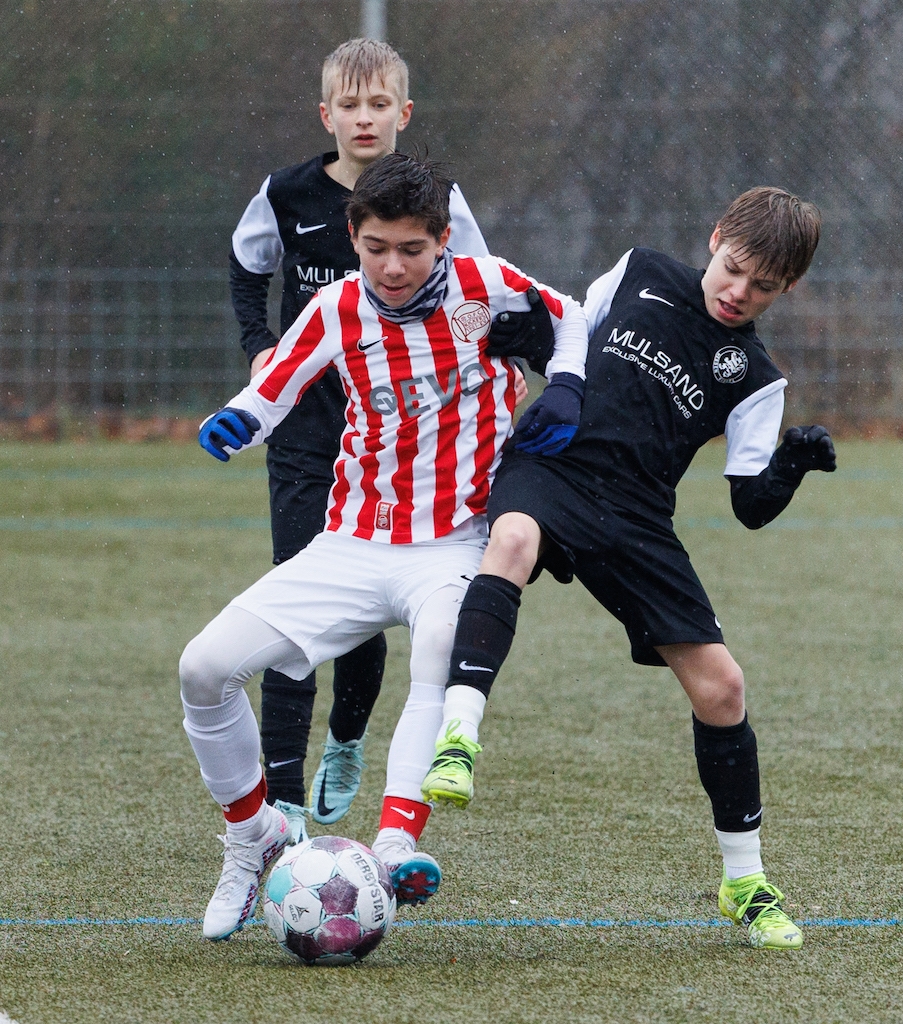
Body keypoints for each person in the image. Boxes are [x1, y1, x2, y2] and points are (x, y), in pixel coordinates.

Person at [181, 152, 588, 940]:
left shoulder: (484, 285)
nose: (393, 267)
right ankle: (252, 835)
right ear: (352, 237)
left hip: (456, 544)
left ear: (442, 240)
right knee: (202, 668)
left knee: (440, 647)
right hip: (353, 542)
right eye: (375, 249)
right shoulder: (335, 306)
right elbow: (274, 387)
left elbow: (569, 314)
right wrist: (238, 419)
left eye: (411, 249)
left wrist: (566, 383)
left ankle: (396, 843)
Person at [420, 187, 837, 950]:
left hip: (637, 516)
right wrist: (536, 347)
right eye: (733, 268)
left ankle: (745, 881)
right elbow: (573, 335)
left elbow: (749, 504)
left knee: (723, 688)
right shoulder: (640, 271)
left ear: (789, 288)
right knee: (510, 542)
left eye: (763, 286)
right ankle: (459, 737)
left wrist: (792, 465)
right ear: (715, 238)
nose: (738, 291)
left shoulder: (755, 376)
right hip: (556, 464)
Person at [229, 38, 528, 844]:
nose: (364, 118)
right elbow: (246, 266)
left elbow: (482, 294)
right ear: (326, 115)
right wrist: (260, 345)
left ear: (404, 113)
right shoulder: (287, 193)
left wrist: (488, 363)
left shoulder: (439, 202)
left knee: (365, 615)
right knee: (296, 597)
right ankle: (284, 799)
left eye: (379, 104)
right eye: (349, 105)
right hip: (309, 427)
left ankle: (347, 737)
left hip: (406, 432)